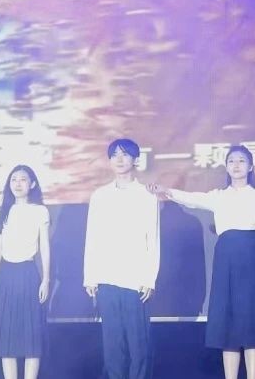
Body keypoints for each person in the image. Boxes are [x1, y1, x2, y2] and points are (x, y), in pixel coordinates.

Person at [151, 144, 255, 379]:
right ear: (226, 167)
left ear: (250, 167)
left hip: (251, 257)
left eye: (241, 160)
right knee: (227, 322)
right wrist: (166, 191)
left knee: (253, 320)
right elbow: (192, 198)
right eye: (231, 161)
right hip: (226, 258)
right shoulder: (218, 196)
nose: (236, 165)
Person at [83, 138, 160, 379]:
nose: (119, 159)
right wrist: (90, 277)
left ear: (135, 159)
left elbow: (153, 239)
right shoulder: (100, 195)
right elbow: (92, 238)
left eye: (125, 154)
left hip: (136, 281)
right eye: (114, 154)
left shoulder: (146, 195)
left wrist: (149, 279)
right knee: (112, 344)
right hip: (107, 278)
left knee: (139, 345)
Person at [0, 165, 51, 379]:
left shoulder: (39, 211)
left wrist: (46, 279)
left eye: (23, 179)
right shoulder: (2, 213)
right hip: (6, 275)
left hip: (29, 274)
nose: (18, 184)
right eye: (14, 179)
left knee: (32, 335)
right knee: (7, 335)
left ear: (32, 184)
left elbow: (44, 248)